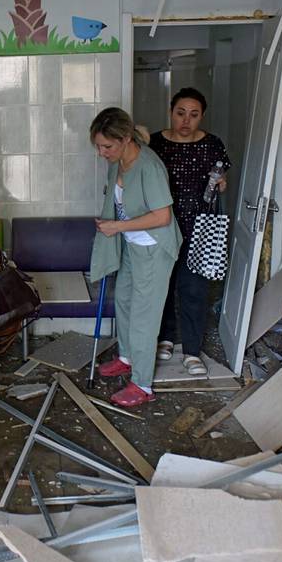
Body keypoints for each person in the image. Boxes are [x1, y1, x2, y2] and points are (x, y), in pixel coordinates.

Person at [90, 108, 181, 407]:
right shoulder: (118, 163)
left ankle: (142, 384)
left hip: (154, 248)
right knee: (125, 301)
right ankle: (128, 357)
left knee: (145, 316)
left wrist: (117, 226)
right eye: (99, 146)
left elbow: (162, 216)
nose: (102, 153)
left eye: (107, 146)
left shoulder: (149, 167)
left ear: (126, 139)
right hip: (133, 245)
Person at [149, 88, 232, 375]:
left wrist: (222, 182)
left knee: (194, 289)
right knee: (164, 285)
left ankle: (192, 351)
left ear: (202, 117)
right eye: (180, 113)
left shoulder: (213, 145)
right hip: (163, 225)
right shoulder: (155, 143)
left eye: (194, 115)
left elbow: (222, 181)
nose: (186, 120)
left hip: (201, 227)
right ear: (171, 112)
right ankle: (166, 337)